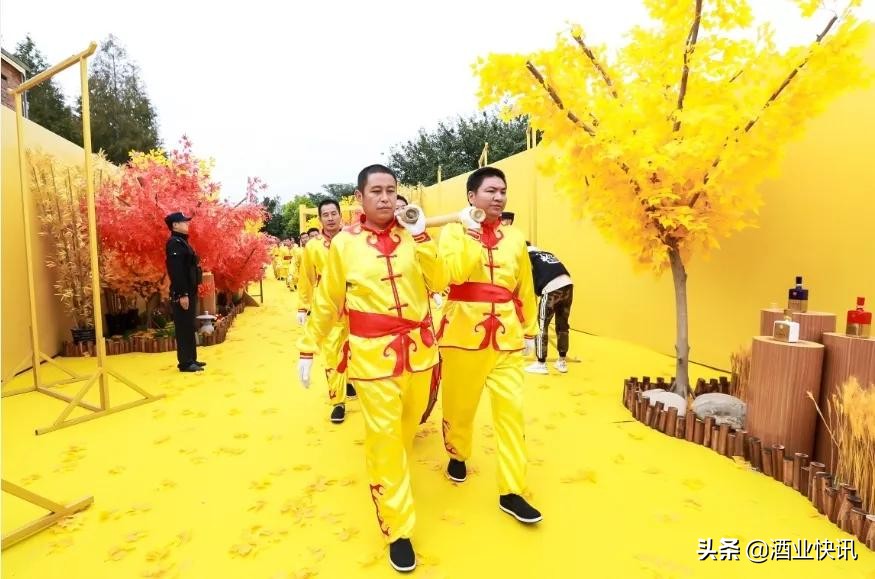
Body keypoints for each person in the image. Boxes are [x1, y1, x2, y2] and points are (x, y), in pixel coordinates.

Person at [298, 164, 446, 573]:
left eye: (391, 190)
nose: (385, 198)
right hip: (371, 357)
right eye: (376, 191)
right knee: (384, 439)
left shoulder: (413, 235)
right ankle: (399, 527)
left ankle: (392, 482)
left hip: (419, 353)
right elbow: (328, 300)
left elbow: (440, 280)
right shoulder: (343, 245)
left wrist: (420, 234)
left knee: (405, 431)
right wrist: (307, 346)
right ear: (359, 198)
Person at [437, 166, 542, 524]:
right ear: (471, 197)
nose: (499, 197)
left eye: (503, 191)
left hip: (507, 340)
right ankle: (458, 452)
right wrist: (470, 233)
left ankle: (511, 491)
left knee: (512, 414)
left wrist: (530, 330)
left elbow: (524, 286)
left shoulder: (516, 238)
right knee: (460, 406)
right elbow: (455, 274)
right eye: (491, 191)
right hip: (461, 335)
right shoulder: (451, 233)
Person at [297, 199, 356, 423]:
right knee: (331, 354)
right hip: (328, 306)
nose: (330, 218)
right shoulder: (312, 247)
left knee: (356, 349)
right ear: (320, 219)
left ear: (341, 215)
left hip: (356, 303)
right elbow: (306, 278)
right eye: (326, 215)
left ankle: (350, 381)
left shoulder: (353, 240)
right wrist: (303, 306)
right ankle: (337, 401)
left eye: (334, 213)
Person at [164, 212, 205, 373]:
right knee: (183, 327)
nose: (187, 224)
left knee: (189, 326)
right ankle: (185, 363)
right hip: (183, 292)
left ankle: (192, 359)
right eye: (184, 222)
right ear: (175, 225)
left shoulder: (182, 242)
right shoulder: (174, 243)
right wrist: (182, 294)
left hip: (190, 290)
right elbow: (177, 271)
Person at [524, 242, 573, 374]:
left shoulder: (526, 257)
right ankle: (562, 362)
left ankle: (541, 364)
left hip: (551, 288)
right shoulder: (546, 253)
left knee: (541, 325)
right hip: (568, 284)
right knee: (562, 324)